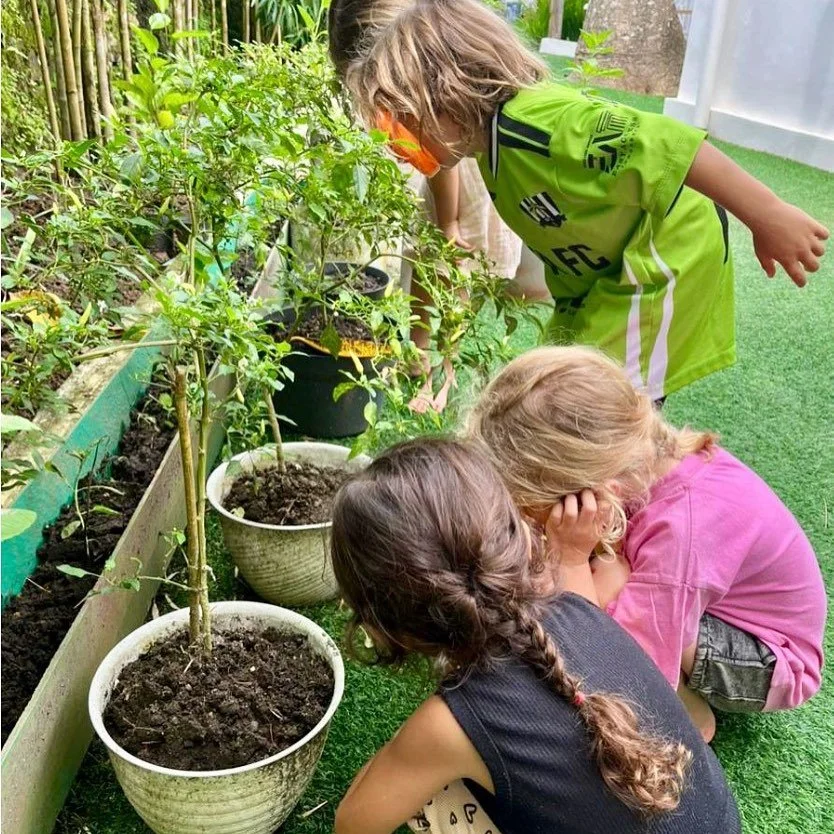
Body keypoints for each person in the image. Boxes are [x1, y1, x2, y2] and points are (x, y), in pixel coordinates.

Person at [327, 0, 828, 402]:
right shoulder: (489, 151)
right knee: (542, 388)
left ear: (443, 97)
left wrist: (767, 214)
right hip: (599, 279)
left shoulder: (542, 125)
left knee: (593, 402)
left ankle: (634, 498)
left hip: (663, 255)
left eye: (398, 122)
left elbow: (665, 146)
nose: (394, 143)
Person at [330, 438, 741, 834]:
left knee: (436, 796)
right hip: (722, 820)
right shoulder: (577, 608)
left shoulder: (446, 725)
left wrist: (409, 747)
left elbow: (353, 822)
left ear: (382, 625)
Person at [468, 346, 826, 741]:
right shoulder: (646, 463)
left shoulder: (679, 539)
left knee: (611, 581)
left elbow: (620, 674)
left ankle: (687, 709)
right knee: (605, 570)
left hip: (762, 659)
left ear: (589, 484)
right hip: (709, 597)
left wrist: (573, 565)